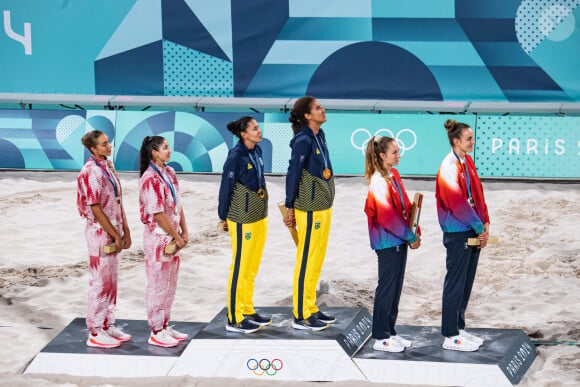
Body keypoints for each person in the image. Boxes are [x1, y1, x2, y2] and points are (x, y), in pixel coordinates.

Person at [436, 119, 490, 352]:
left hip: (472, 227)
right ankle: (449, 334)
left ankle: (459, 328)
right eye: (469, 139)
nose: (473, 142)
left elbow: (477, 193)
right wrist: (479, 227)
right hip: (458, 232)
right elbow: (458, 204)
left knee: (466, 282)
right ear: (456, 141)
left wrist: (486, 221)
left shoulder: (467, 161)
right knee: (455, 283)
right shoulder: (448, 166)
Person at [364, 135, 421, 352]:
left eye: (398, 151)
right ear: (382, 155)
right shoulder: (378, 180)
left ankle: (390, 331)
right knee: (387, 288)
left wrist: (415, 227)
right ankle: (380, 336)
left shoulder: (393, 174)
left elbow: (405, 203)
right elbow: (387, 217)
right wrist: (410, 236)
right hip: (387, 241)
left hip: (400, 238)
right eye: (395, 152)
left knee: (396, 288)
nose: (399, 155)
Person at [284, 96, 335, 331]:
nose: (322, 110)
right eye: (317, 108)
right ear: (307, 116)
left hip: (323, 206)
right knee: (306, 260)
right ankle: (301, 314)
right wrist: (290, 205)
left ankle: (311, 306)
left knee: (316, 259)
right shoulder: (302, 140)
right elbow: (293, 172)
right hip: (309, 208)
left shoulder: (320, 135)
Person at [77, 130, 132, 348]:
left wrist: (125, 229)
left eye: (108, 142)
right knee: (100, 282)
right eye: (103, 144)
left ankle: (108, 324)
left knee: (112, 281)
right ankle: (96, 330)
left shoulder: (107, 165)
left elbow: (117, 201)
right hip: (100, 231)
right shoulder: (90, 171)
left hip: (114, 227)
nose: (109, 146)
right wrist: (115, 234)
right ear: (93, 148)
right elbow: (96, 208)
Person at [218, 116, 271, 334]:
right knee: (240, 266)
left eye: (258, 127)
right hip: (242, 219)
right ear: (244, 134)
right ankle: (234, 317)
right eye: (254, 128)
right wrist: (223, 215)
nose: (259, 131)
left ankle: (247, 308)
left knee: (251, 267)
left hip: (259, 215)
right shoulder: (235, 157)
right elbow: (225, 187)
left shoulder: (256, 151)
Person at [139, 136, 189, 348]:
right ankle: (156, 329)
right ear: (154, 152)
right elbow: (158, 214)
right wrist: (177, 236)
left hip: (172, 233)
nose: (170, 150)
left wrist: (184, 231)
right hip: (158, 237)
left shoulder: (169, 172)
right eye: (165, 148)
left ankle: (165, 324)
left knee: (170, 284)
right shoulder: (150, 178)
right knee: (158, 284)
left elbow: (178, 204)